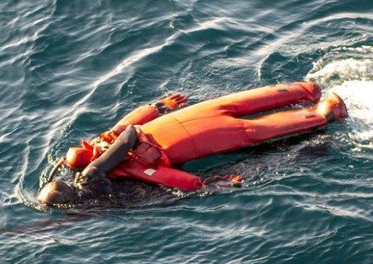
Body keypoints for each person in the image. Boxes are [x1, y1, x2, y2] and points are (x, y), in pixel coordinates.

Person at [38, 81, 347, 206]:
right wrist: (159, 107)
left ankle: (326, 113)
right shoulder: (99, 156)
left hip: (194, 141)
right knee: (237, 107)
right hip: (183, 123)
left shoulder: (106, 182)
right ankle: (308, 91)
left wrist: (208, 184)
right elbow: (125, 129)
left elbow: (166, 177)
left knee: (251, 131)